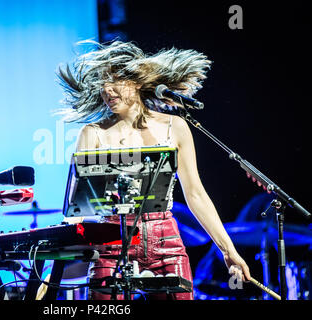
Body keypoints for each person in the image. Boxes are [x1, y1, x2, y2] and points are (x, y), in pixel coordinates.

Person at [55, 40, 251, 300]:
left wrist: (228, 250)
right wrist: (54, 266)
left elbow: (195, 194)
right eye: (103, 83)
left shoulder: (176, 126)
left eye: (115, 80)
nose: (107, 90)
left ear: (136, 82)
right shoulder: (92, 133)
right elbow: (77, 207)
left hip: (165, 241)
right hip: (112, 241)